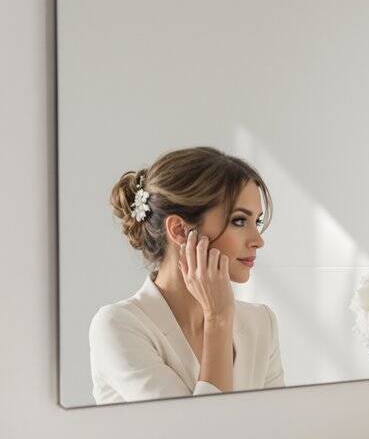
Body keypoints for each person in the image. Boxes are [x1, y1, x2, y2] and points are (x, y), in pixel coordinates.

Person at [89, 147, 284, 404]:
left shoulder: (261, 322)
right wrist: (218, 320)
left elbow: (276, 428)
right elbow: (197, 437)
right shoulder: (118, 326)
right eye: (239, 221)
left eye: (256, 222)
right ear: (180, 230)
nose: (258, 241)